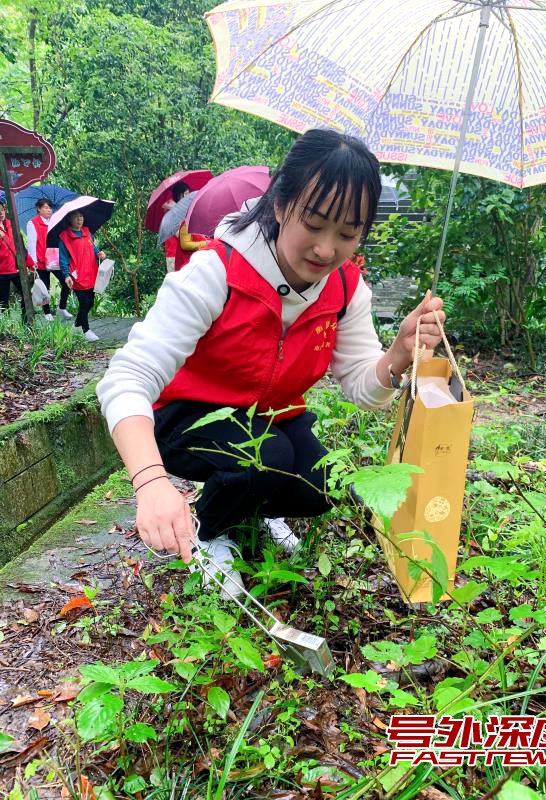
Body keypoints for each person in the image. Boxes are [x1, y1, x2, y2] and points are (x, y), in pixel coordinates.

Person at [96, 129, 446, 599]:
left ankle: (250, 508)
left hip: (270, 418)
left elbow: (363, 388)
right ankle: (207, 533)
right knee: (267, 457)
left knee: (323, 484)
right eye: (315, 224)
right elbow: (125, 378)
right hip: (184, 417)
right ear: (281, 205)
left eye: (346, 233)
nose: (326, 250)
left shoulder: (345, 289)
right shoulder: (215, 271)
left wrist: (398, 354)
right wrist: (151, 482)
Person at [59, 211, 106, 342]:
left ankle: (76, 325)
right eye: (76, 217)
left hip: (91, 272)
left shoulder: (87, 232)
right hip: (77, 275)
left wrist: (99, 254)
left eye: (81, 216)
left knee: (90, 302)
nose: (80, 219)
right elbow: (62, 259)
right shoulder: (64, 237)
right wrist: (66, 275)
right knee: (84, 302)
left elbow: (93, 248)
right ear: (70, 219)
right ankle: (86, 330)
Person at [27, 199, 73, 321]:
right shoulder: (33, 223)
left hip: (53, 258)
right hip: (40, 260)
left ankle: (61, 307)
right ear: (39, 209)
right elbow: (31, 244)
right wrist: (33, 262)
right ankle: (47, 313)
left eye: (50, 208)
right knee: (44, 287)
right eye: (46, 208)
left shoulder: (53, 222)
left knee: (66, 281)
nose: (49, 210)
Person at [171, 180, 208, 271]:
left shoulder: (185, 212)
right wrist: (205, 243)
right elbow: (185, 244)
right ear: (181, 196)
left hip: (190, 260)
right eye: (187, 193)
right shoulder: (181, 215)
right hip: (187, 263)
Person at [0, 200, 27, 317]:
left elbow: (21, 245)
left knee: (27, 297)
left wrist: (29, 263)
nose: (0, 213)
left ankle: (27, 323)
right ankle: (6, 331)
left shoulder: (11, 224)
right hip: (2, 271)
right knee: (3, 303)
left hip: (16, 268)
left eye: (1, 209)